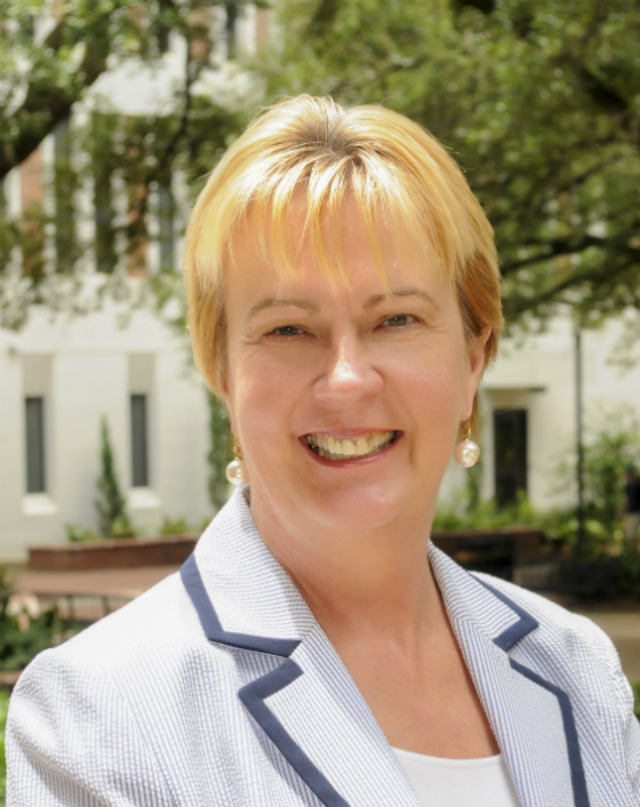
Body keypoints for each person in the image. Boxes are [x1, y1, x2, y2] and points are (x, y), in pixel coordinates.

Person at [7, 96, 639, 807]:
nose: (346, 377)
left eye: (396, 319)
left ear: (473, 358)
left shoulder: (578, 669)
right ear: (223, 373)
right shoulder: (100, 713)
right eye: (287, 329)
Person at [624, 465, 640, 551]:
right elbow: (627, 500)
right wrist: (622, 511)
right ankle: (635, 552)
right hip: (631, 513)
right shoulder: (627, 486)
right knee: (630, 536)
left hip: (638, 512)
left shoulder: (638, 484)